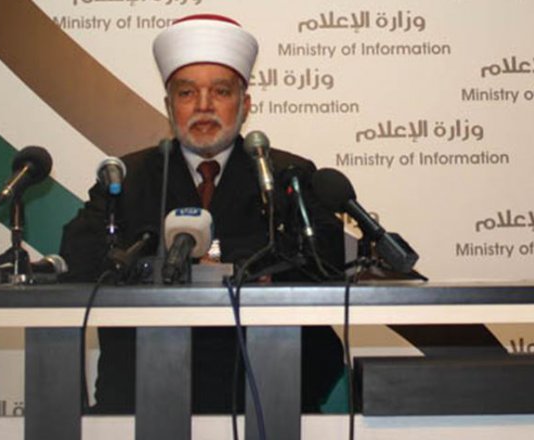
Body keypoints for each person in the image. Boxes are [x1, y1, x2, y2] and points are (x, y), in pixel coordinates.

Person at [59, 14, 345, 414]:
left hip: (267, 386)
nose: (204, 106)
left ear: (245, 105)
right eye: (187, 92)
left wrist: (210, 255)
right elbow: (80, 254)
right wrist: (225, 262)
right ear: (169, 106)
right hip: (145, 388)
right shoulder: (130, 176)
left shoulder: (283, 172)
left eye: (221, 92)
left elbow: (326, 256)